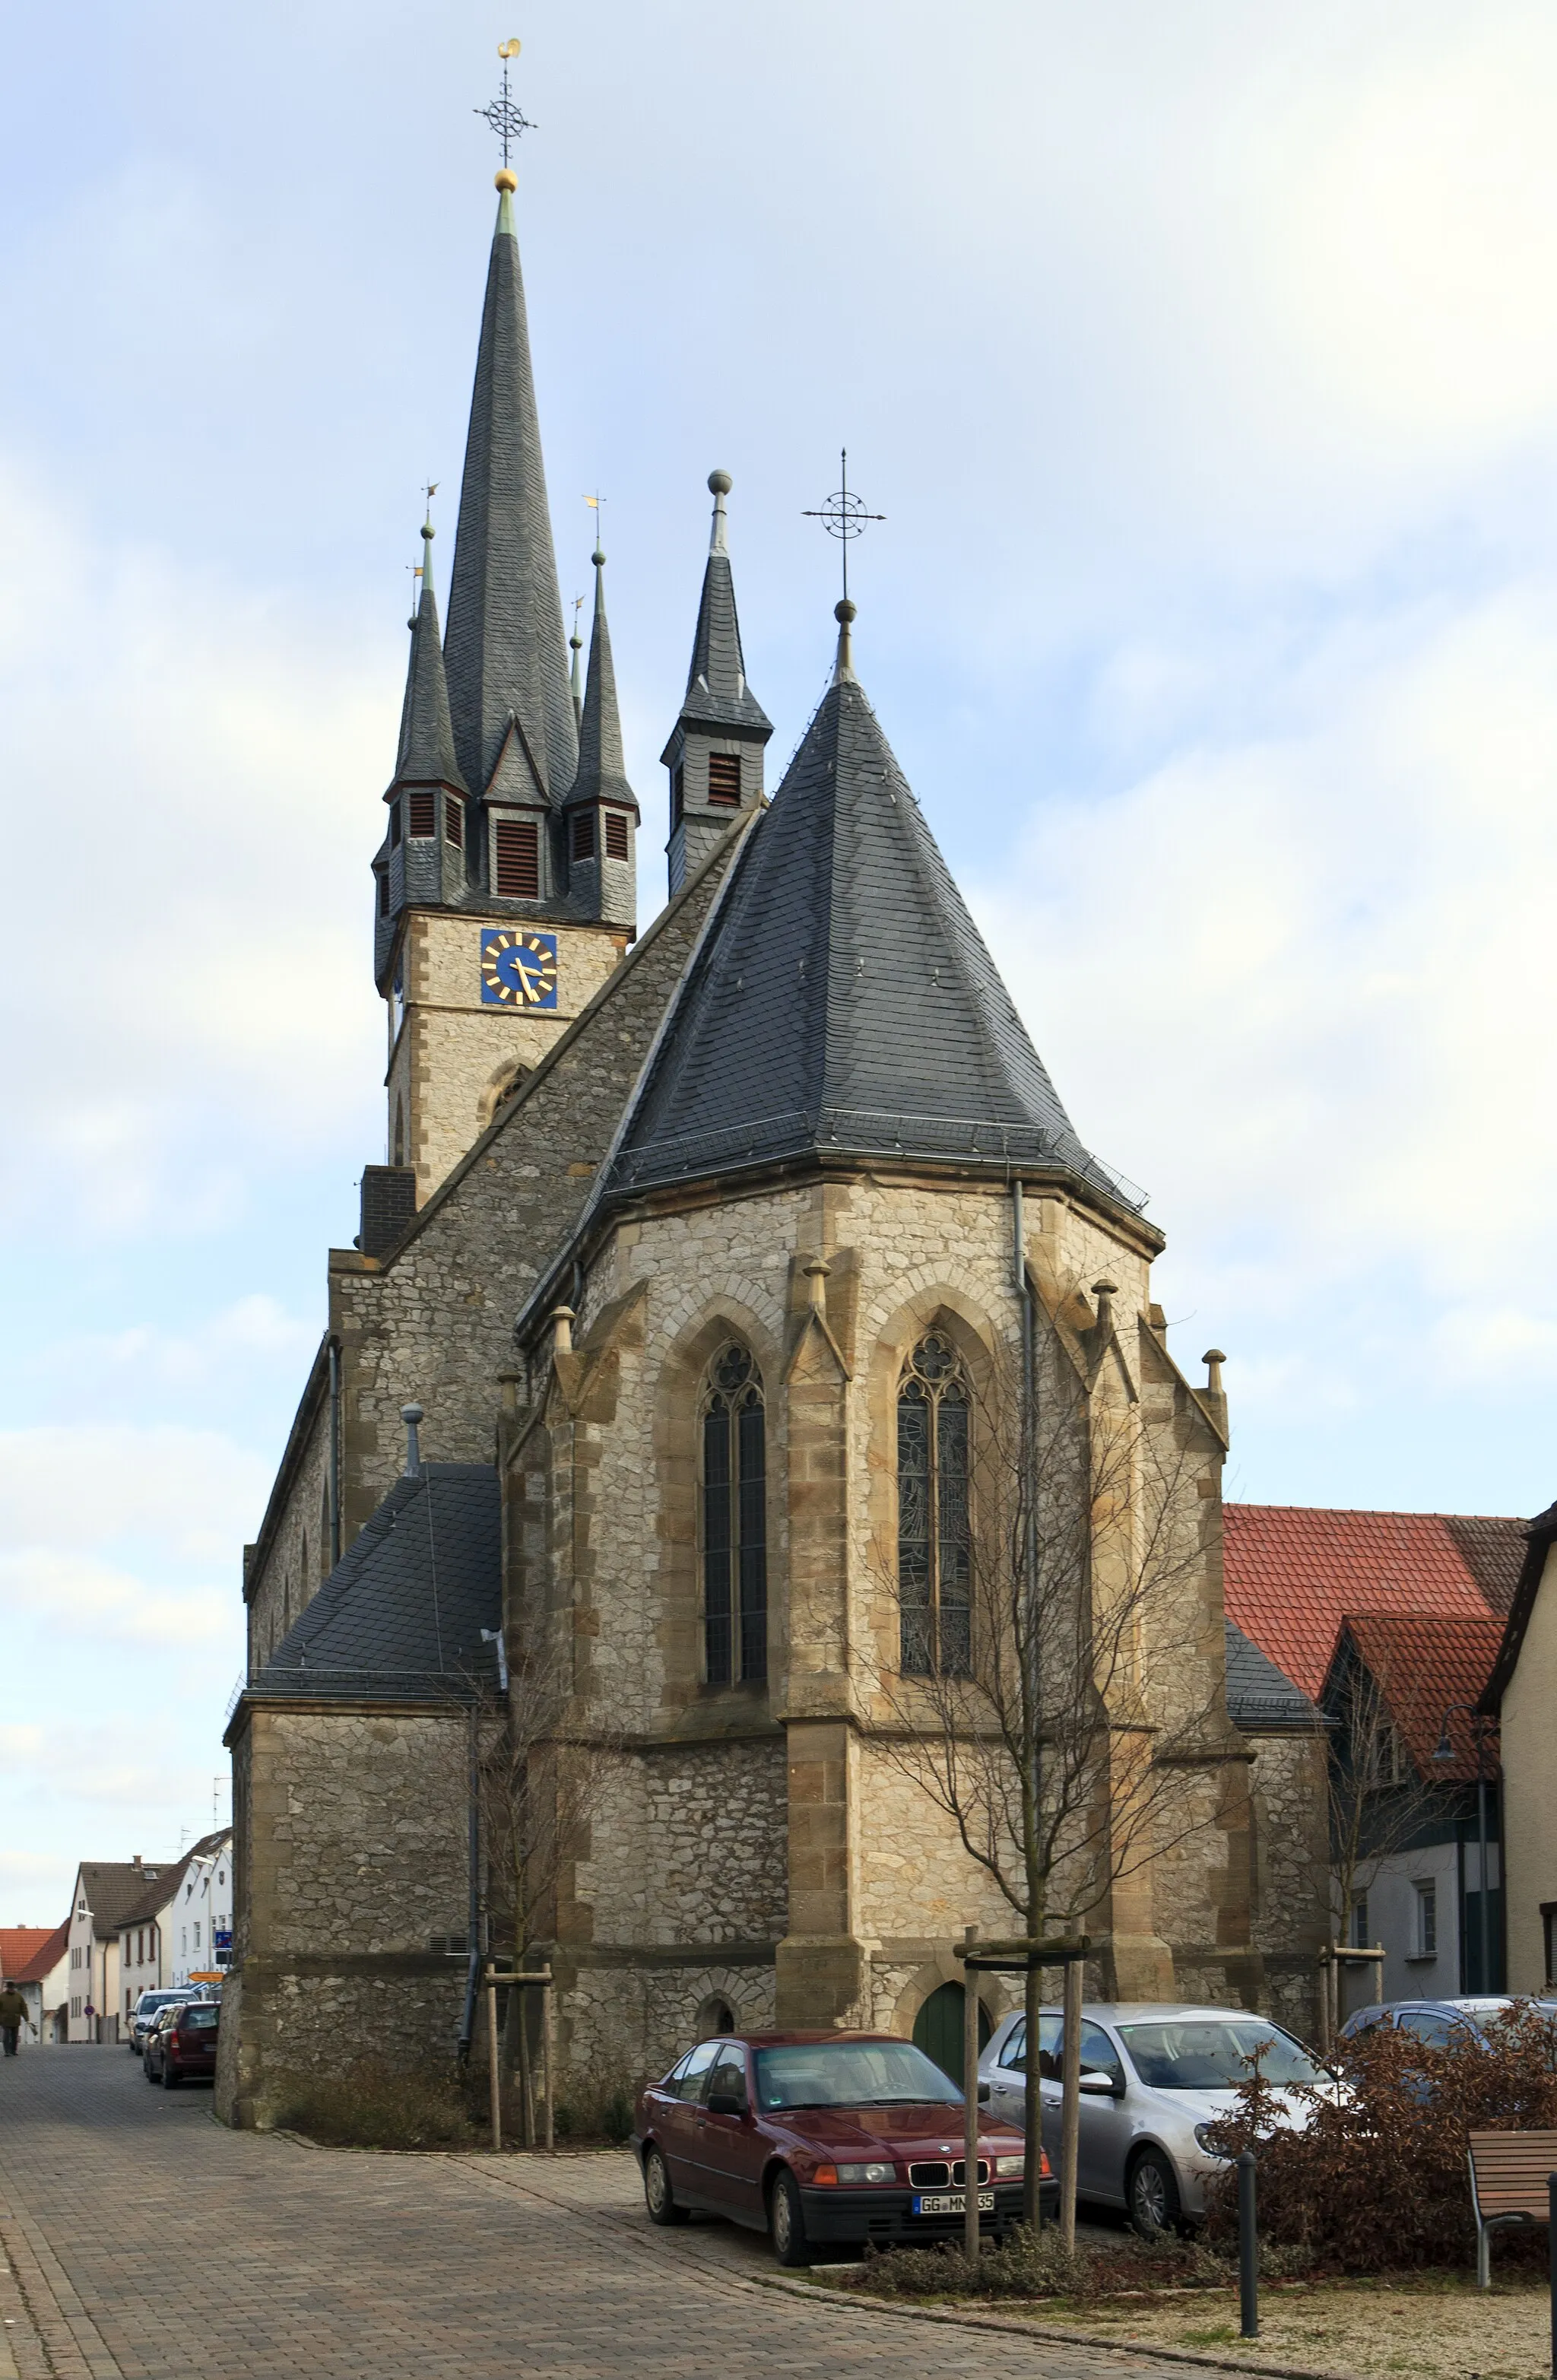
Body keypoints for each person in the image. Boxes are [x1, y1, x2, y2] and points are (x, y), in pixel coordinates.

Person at [0, 1982, 30, 2057]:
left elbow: (23, 2008)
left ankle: (13, 2050)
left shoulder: (18, 1997)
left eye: (12, 1988)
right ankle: (7, 2051)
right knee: (6, 2036)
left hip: (15, 2019)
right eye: (10, 1988)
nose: (11, 1989)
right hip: (5, 2019)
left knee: (14, 2036)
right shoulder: (2, 1996)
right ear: (7, 1988)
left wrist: (27, 2018)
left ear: (14, 1988)